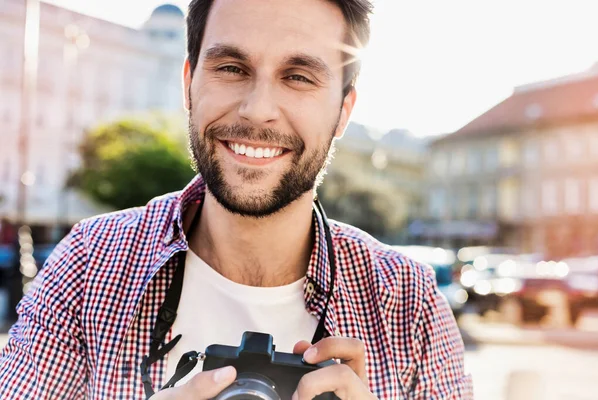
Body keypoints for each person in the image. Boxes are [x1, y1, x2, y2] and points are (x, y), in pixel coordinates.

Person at [0, 0, 473, 398]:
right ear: (189, 84)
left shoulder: (407, 302)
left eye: (299, 77)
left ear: (343, 111)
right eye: (231, 68)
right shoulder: (90, 265)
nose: (257, 110)